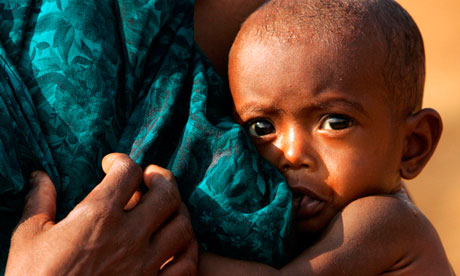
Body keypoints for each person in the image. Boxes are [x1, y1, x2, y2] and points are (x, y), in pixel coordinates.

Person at [198, 0, 454, 274]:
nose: (292, 154)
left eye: (335, 123)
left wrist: (187, 258)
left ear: (413, 146)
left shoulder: (385, 220)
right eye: (261, 128)